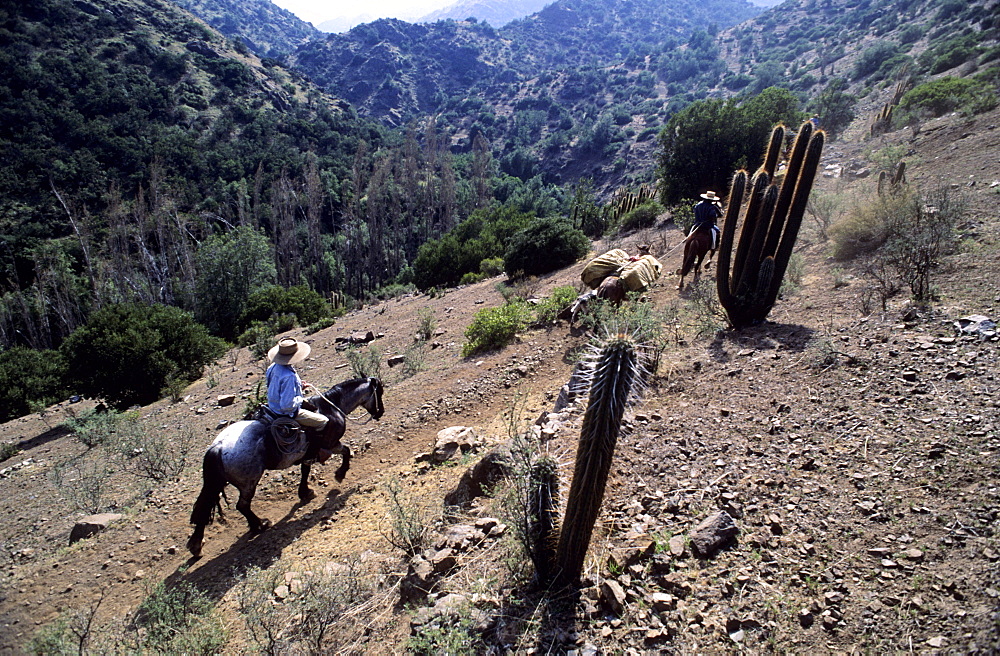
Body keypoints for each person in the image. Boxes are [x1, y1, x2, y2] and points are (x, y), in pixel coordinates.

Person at [265, 337, 333, 463]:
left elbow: (272, 385)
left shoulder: (273, 367)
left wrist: (297, 386)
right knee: (323, 421)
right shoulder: (289, 376)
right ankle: (311, 454)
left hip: (271, 407)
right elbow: (287, 405)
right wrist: (299, 396)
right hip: (284, 412)